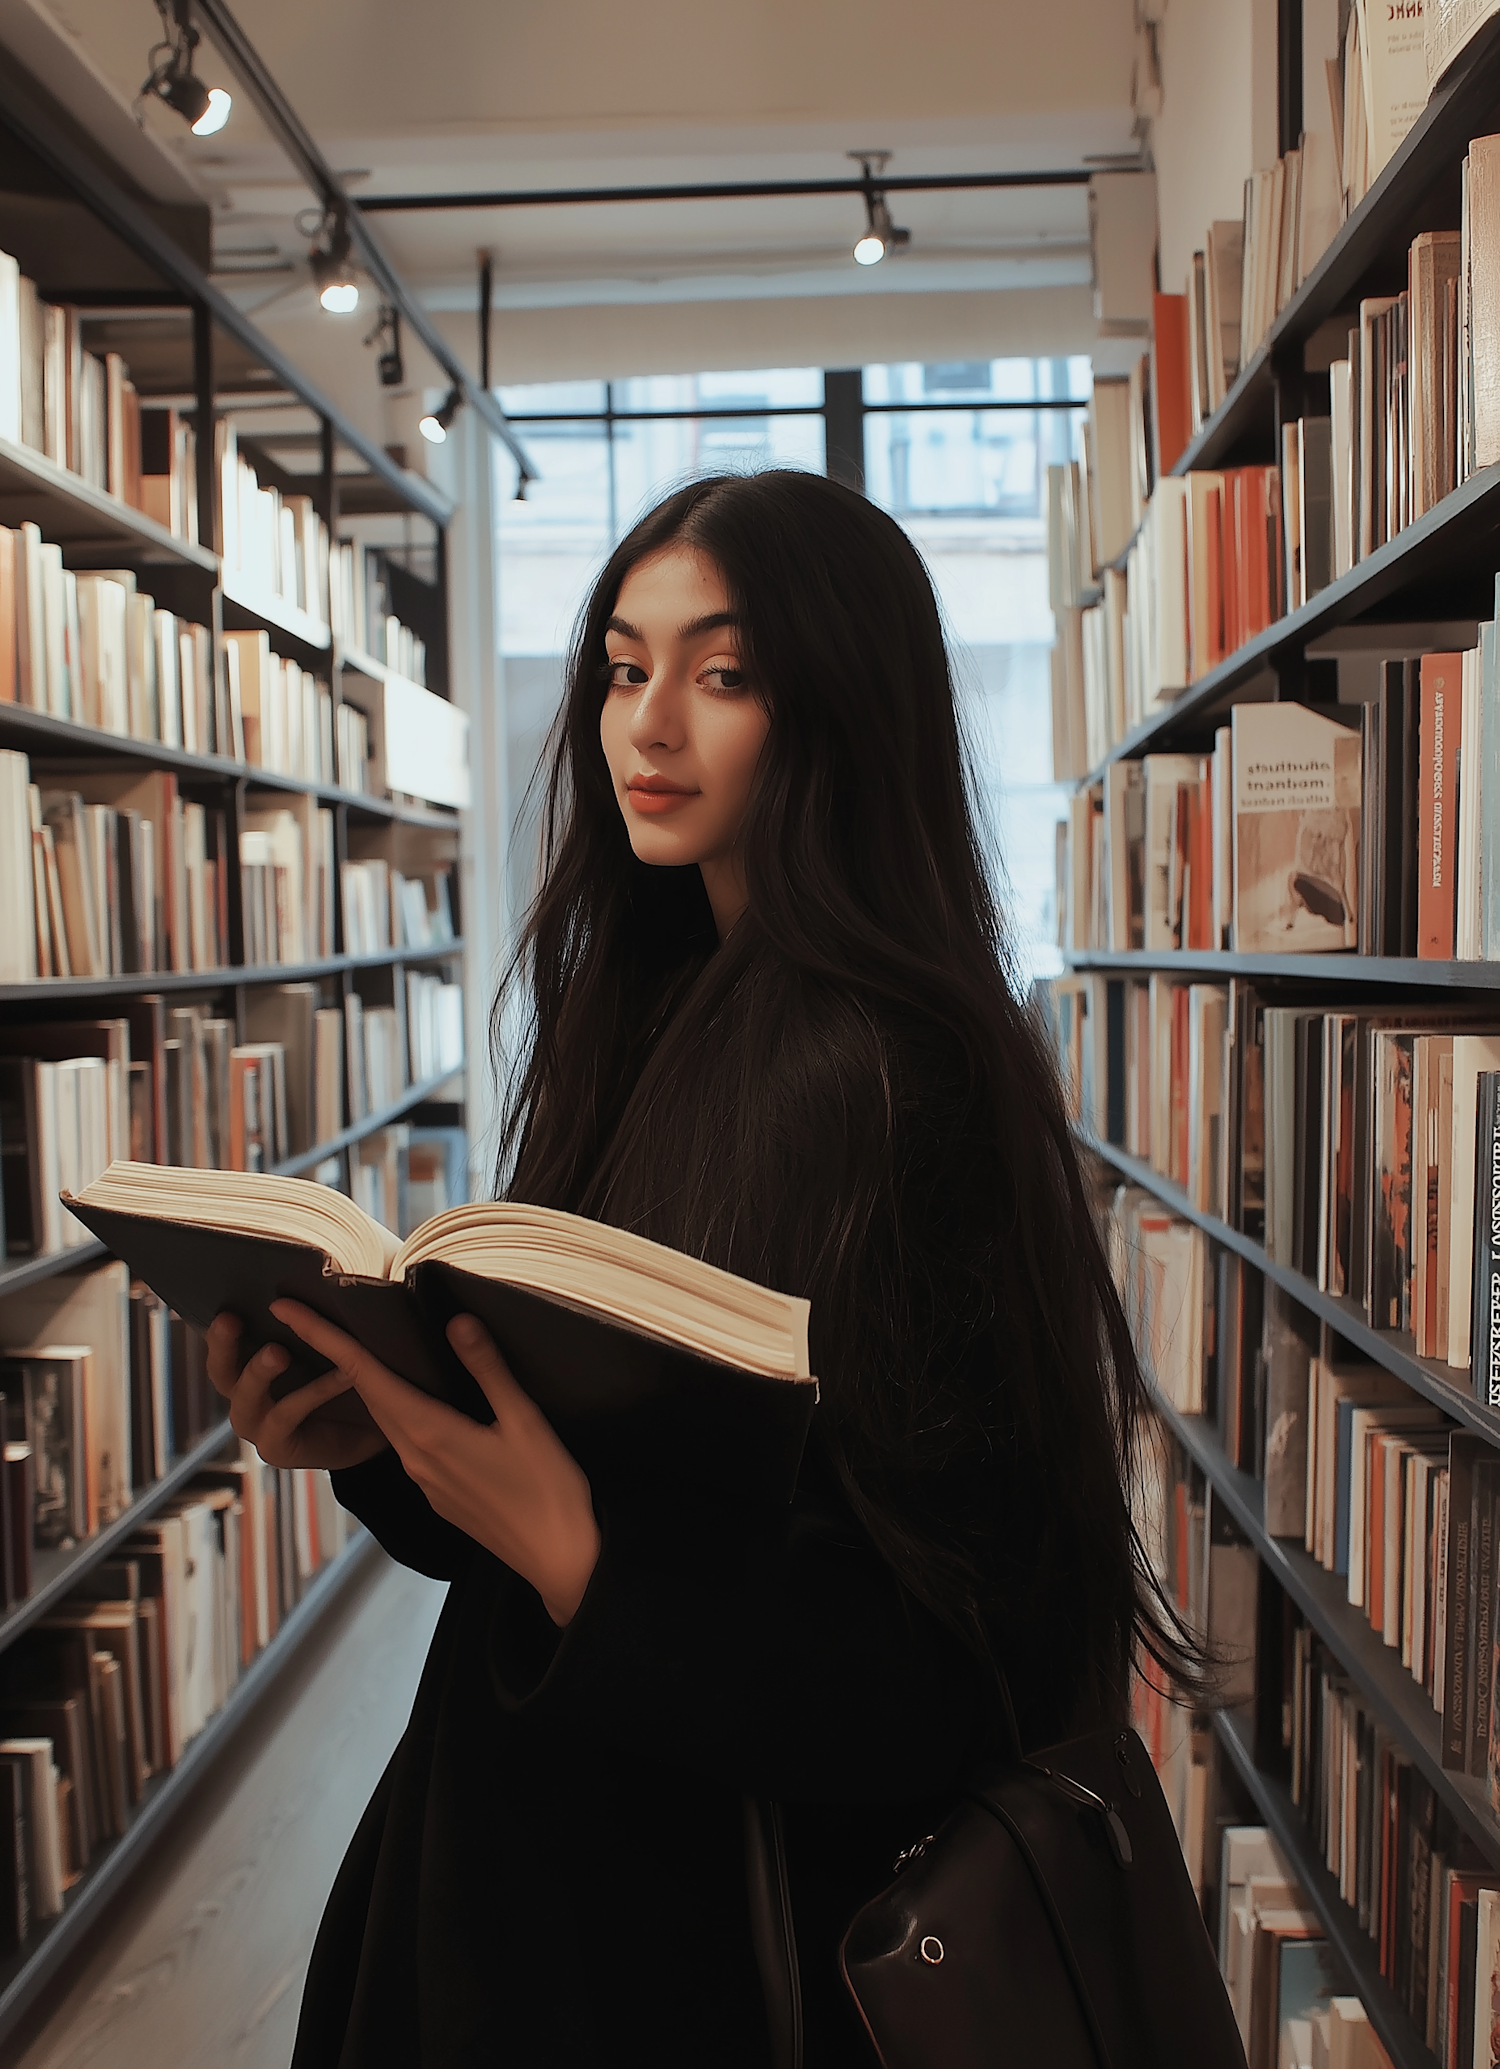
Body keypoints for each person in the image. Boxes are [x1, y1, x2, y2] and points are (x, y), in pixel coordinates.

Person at [207, 470, 1199, 2068]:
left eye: (721, 675)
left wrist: (581, 1562)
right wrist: (379, 1438)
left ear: (839, 709)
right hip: (533, 1880)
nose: (645, 727)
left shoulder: (894, 1075)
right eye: (622, 666)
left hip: (710, 1956)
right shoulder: (650, 1009)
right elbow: (587, 1485)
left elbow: (944, 1674)